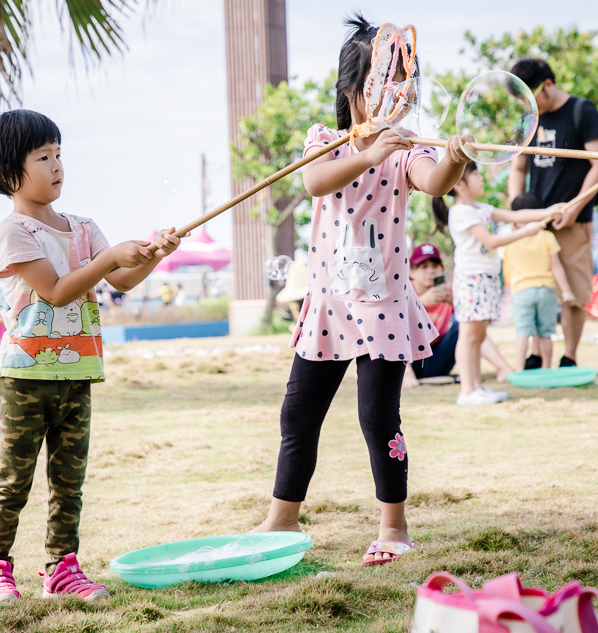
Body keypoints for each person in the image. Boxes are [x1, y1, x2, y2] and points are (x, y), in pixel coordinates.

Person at [251, 14, 480, 567]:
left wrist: (451, 156)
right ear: (354, 91)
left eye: (406, 84)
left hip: (382, 308)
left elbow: (435, 182)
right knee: (298, 414)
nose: (398, 95)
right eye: (387, 81)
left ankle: (394, 526)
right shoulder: (325, 142)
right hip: (329, 305)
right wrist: (368, 151)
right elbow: (313, 183)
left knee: (379, 419)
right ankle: (282, 518)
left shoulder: (409, 150)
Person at [0, 109, 183, 603]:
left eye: (59, 154)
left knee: (69, 481)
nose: (57, 166)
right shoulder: (14, 230)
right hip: (25, 375)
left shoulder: (84, 227)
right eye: (43, 157)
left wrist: (155, 253)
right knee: (14, 478)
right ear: (8, 174)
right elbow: (60, 292)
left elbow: (122, 280)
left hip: (78, 371)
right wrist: (111, 258)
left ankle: (62, 569)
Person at [508, 58, 598, 368]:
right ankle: (537, 356)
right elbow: (517, 166)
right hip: (534, 225)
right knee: (535, 289)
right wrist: (518, 214)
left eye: (530, 95)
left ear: (548, 85)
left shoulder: (583, 111)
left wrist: (575, 206)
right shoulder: (529, 118)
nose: (526, 104)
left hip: (572, 221)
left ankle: (569, 357)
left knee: (574, 293)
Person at [432, 163, 563, 405]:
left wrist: (548, 212)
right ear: (459, 184)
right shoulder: (461, 212)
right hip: (472, 279)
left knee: (479, 337)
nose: (481, 179)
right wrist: (527, 232)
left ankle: (477, 387)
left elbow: (515, 215)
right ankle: (467, 391)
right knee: (468, 336)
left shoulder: (480, 208)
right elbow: (490, 241)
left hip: (486, 279)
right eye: (475, 174)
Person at [404, 243, 513, 386]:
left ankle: (504, 368)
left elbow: (477, 320)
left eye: (435, 266)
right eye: (424, 267)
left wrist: (456, 304)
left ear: (442, 269)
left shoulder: (450, 291)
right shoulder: (405, 293)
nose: (430, 271)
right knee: (397, 326)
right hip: (410, 361)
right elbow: (391, 324)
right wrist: (420, 303)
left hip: (437, 358)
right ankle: (407, 376)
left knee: (469, 323)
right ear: (411, 272)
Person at [502, 193, 575, 371]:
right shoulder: (547, 237)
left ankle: (519, 369)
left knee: (522, 332)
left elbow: (507, 272)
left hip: (521, 291)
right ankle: (546, 369)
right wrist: (566, 291)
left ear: (515, 220)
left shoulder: (510, 241)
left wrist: (509, 289)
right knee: (545, 333)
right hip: (546, 291)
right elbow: (556, 266)